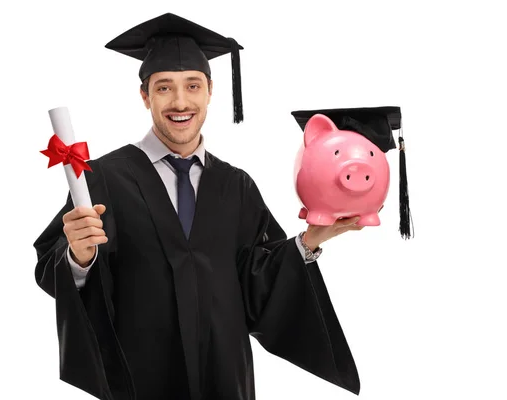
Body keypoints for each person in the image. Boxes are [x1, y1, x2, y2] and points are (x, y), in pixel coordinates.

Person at [34, 12, 370, 400]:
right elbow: (50, 270)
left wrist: (309, 241)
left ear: (210, 90)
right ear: (144, 96)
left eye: (192, 86)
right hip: (143, 381)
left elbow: (257, 285)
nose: (180, 102)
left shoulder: (236, 185)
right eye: (164, 88)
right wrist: (78, 257)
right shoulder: (102, 178)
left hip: (225, 380)